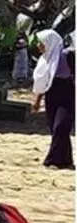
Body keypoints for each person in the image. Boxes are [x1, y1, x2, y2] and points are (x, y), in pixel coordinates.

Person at [31, 29, 74, 170]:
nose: (39, 46)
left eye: (41, 43)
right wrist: (37, 101)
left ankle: (53, 160)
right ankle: (66, 160)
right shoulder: (44, 60)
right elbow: (42, 83)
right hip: (52, 95)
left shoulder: (68, 56)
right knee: (55, 129)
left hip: (68, 94)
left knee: (61, 126)